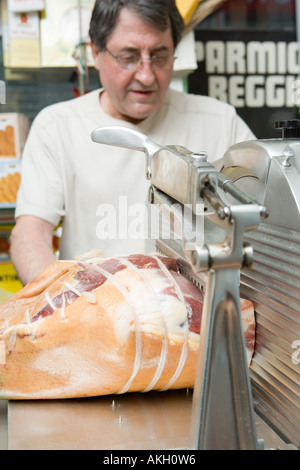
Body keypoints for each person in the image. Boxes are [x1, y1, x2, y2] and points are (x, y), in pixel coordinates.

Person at [10, 0, 255, 286]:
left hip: (195, 312)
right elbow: (31, 231)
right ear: (96, 53)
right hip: (93, 308)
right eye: (128, 57)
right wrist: (56, 301)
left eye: (160, 56)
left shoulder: (219, 122)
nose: (146, 75)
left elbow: (267, 220)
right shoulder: (58, 126)